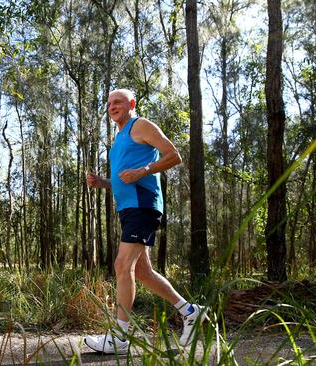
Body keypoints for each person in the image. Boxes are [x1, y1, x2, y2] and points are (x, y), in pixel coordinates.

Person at [84, 89, 206, 354]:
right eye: (109, 104)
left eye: (118, 102)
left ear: (131, 104)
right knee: (141, 272)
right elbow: (122, 179)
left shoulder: (141, 125)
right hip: (129, 208)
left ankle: (119, 337)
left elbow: (174, 155)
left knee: (122, 264)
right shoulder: (119, 138)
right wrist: (102, 183)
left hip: (143, 205)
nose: (112, 106)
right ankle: (190, 311)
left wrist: (145, 170)